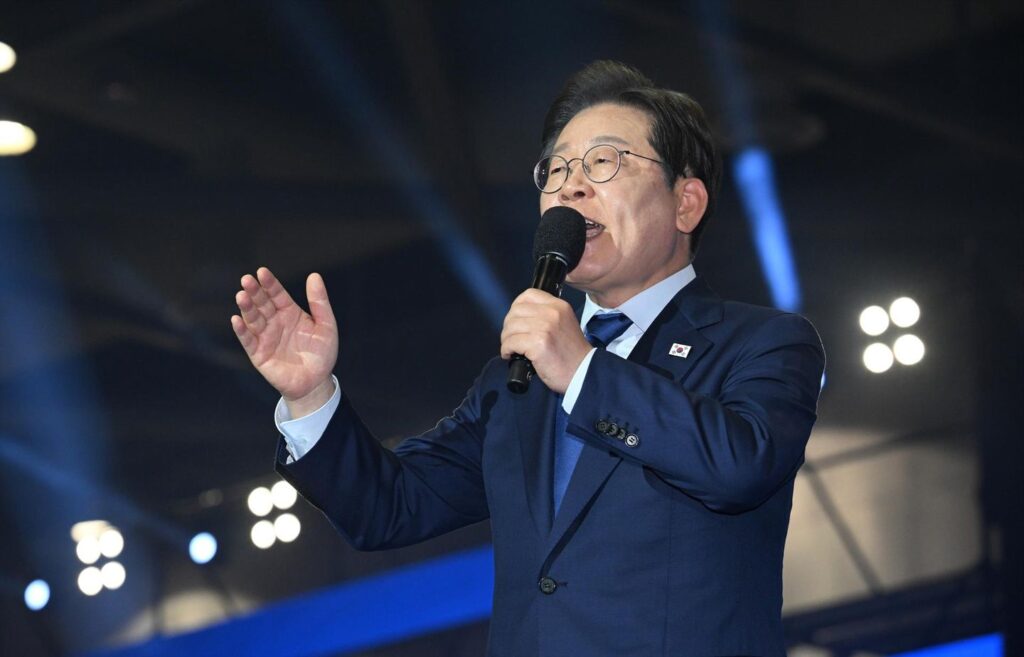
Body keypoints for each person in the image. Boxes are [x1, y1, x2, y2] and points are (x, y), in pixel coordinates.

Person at [231, 60, 825, 657]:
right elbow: (389, 507)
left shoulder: (764, 342)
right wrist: (310, 395)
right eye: (557, 169)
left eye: (604, 161)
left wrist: (583, 372)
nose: (571, 187)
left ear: (686, 203)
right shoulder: (515, 381)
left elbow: (741, 465)